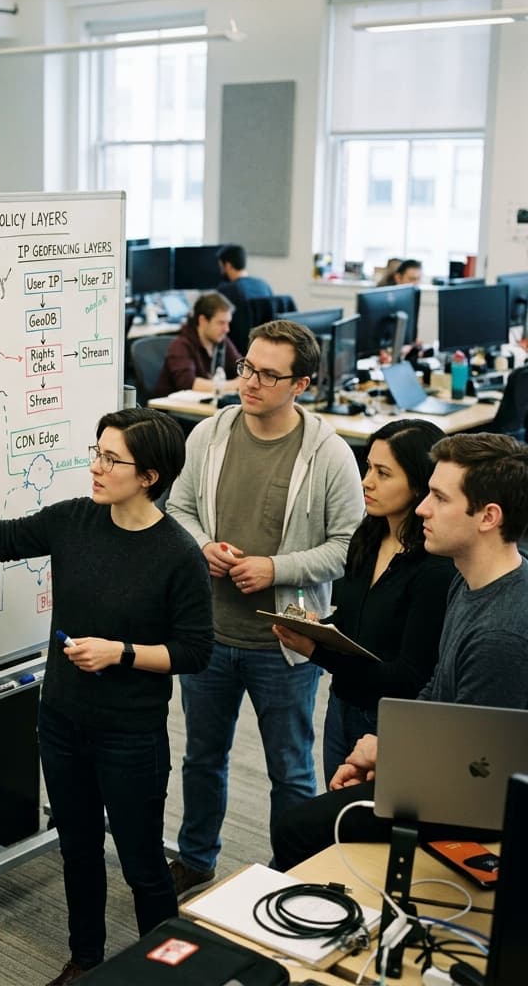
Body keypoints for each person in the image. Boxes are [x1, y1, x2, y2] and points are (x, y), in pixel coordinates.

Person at [0, 408, 213, 986]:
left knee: (143, 864)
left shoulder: (177, 552)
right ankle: (85, 960)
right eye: (95, 452)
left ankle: (166, 974)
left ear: (150, 475)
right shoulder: (76, 519)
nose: (95, 467)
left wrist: (120, 652)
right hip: (62, 722)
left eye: (111, 459)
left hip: (130, 734)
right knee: (77, 849)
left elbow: (195, 651)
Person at [165, 319, 364, 893]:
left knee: (291, 771)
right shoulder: (212, 432)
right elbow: (177, 508)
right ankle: (197, 857)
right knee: (202, 758)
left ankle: (293, 874)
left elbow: (349, 547)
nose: (249, 383)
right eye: (246, 367)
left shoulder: (327, 454)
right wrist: (203, 545)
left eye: (268, 375)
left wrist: (276, 569)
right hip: (209, 634)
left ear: (301, 384)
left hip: (286, 644)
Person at [272, 432, 528, 871]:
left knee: (297, 829)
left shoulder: (499, 637)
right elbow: (437, 692)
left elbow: (473, 772)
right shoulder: (466, 583)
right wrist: (387, 749)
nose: (423, 508)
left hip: (469, 807)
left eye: (439, 498)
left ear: (488, 516)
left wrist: (388, 760)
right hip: (439, 770)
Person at [272, 419, 455, 785]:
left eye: (383, 473)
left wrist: (316, 650)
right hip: (342, 703)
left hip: (389, 723)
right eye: (368, 466)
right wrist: (318, 628)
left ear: (420, 483)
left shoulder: (436, 566)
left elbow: (407, 677)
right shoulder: (367, 535)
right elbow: (354, 629)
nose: (366, 481)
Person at [152, 292, 243, 398]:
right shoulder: (181, 345)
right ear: (203, 320)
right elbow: (188, 383)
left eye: (228, 323)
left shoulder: (222, 341)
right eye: (221, 323)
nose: (226, 329)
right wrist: (234, 384)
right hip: (175, 411)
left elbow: (242, 368)